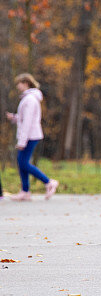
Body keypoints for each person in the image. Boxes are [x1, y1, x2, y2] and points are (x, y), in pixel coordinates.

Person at [5, 73, 59, 201]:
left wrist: (22, 141)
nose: (17, 86)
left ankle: (48, 182)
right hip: (30, 135)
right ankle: (25, 191)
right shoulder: (29, 98)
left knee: (23, 163)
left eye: (19, 83)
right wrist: (15, 117)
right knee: (22, 162)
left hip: (30, 136)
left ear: (26, 83)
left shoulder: (29, 99)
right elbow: (24, 118)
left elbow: (28, 122)